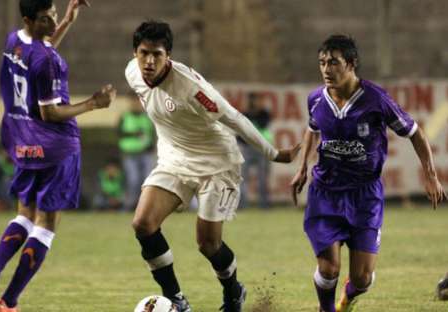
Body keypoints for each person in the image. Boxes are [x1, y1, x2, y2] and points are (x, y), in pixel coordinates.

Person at [125, 21, 300, 312]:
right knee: (143, 223)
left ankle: (233, 291)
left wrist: (273, 153)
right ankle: (177, 300)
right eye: (144, 53)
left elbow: (234, 118)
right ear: (135, 53)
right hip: (174, 159)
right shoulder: (132, 73)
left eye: (157, 54)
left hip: (216, 162)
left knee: (207, 243)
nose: (150, 61)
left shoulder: (191, 88)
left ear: (168, 55)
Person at [290, 34, 446, 312]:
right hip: (325, 193)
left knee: (362, 279)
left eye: (333, 62)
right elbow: (312, 129)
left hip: (365, 196)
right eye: (322, 62)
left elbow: (415, 133)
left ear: (351, 64)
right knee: (328, 268)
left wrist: (431, 174)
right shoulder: (316, 99)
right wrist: (302, 167)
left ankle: (348, 298)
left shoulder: (376, 99)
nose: (326, 69)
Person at [0, 1, 116, 311]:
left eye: (54, 15)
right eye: (46, 19)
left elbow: (39, 55)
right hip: (56, 146)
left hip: (24, 141)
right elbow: (51, 111)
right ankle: (8, 302)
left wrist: (68, 20)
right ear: (29, 19)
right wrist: (94, 103)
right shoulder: (47, 61)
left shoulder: (15, 40)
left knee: (23, 215)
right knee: (45, 224)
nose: (53, 23)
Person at [118, 91, 155, 211]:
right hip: (129, 154)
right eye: (133, 101)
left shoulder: (148, 117)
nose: (136, 103)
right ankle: (129, 205)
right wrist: (134, 134)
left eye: (137, 100)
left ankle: (146, 207)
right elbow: (119, 133)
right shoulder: (125, 116)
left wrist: (152, 146)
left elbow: (153, 135)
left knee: (147, 180)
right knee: (132, 180)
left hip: (146, 154)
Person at [238, 92, 273, 209]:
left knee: (262, 178)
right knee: (243, 178)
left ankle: (264, 205)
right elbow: (239, 133)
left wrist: (257, 112)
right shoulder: (244, 114)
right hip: (247, 149)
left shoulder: (264, 114)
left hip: (260, 149)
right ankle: (242, 205)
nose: (254, 103)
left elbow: (264, 125)